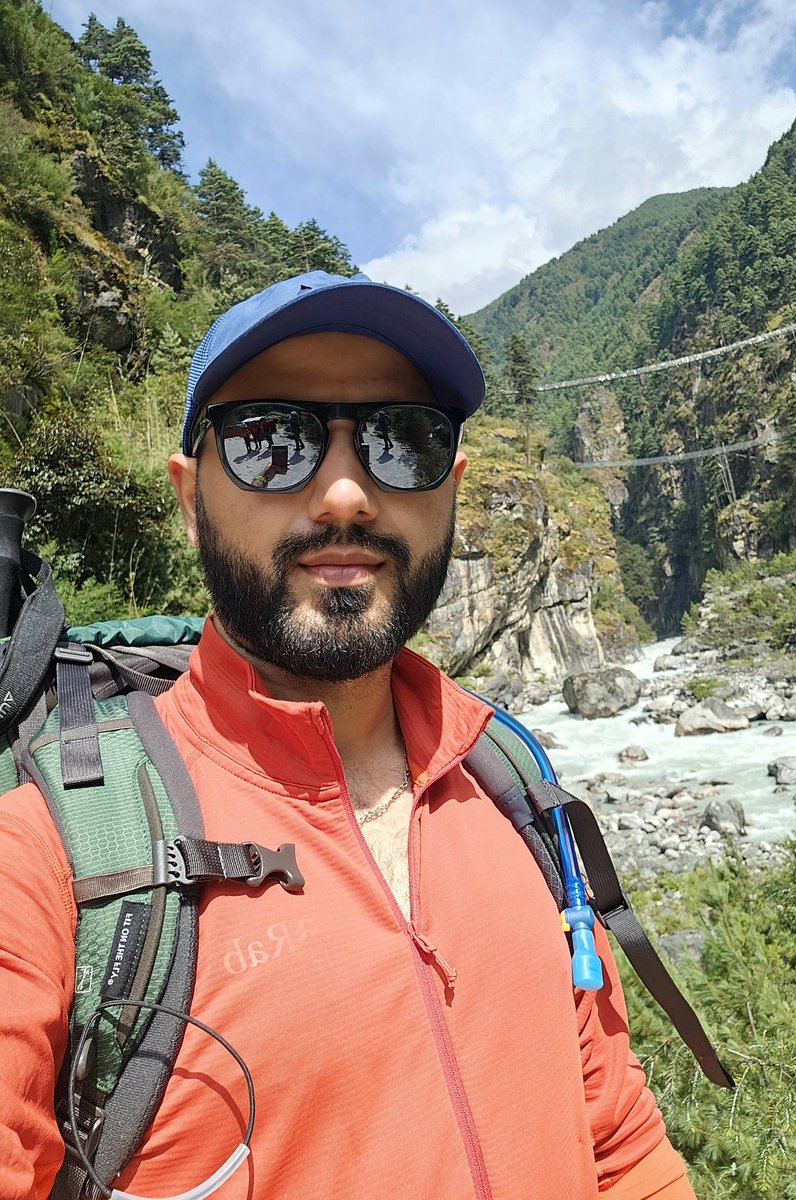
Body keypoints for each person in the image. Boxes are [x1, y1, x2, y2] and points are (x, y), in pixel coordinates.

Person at [0, 271, 696, 1199]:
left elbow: (621, 1149)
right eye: (268, 441)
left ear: (448, 486)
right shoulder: (47, 862)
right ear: (190, 495)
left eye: (399, 439)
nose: (342, 493)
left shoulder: (510, 783)